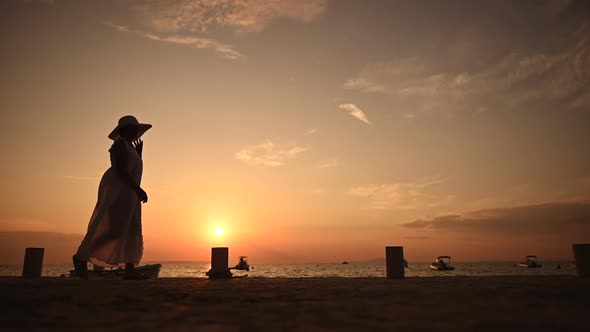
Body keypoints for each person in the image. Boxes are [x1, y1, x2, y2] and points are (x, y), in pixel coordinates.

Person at [72, 115, 152, 280]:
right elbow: (122, 170)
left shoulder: (129, 147)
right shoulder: (120, 145)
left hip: (128, 192)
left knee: (130, 228)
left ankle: (129, 269)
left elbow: (132, 168)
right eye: (134, 128)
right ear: (125, 130)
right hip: (121, 191)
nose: (137, 131)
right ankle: (81, 257)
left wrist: (139, 155)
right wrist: (138, 189)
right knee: (114, 230)